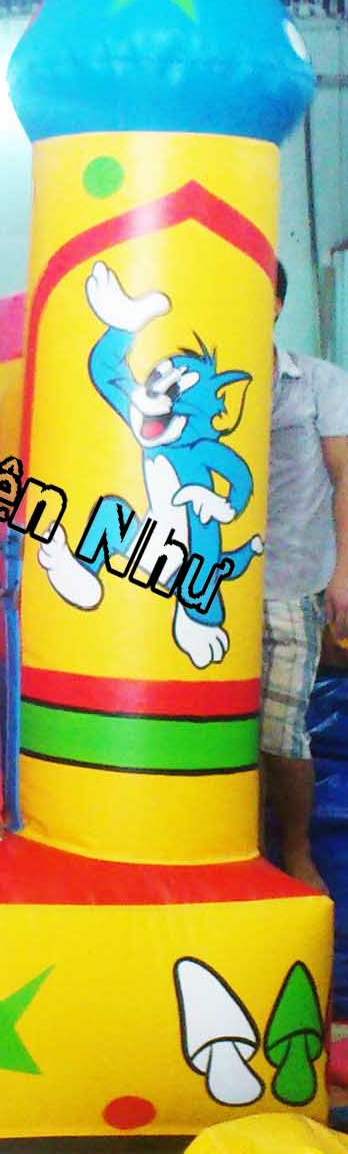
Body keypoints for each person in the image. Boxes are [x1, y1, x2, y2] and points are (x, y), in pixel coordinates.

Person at [263, 259, 348, 893]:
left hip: (293, 579)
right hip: (207, 583)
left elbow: (344, 479)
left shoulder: (317, 381)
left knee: (282, 730)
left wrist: (343, 574)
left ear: (274, 305)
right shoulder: (196, 386)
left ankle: (295, 851)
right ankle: (240, 847)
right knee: (225, 732)